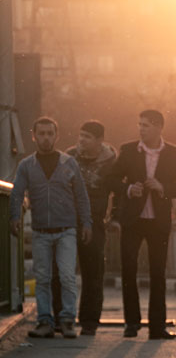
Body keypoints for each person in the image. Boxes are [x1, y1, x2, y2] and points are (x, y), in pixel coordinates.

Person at [107, 109, 176, 340]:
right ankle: (131, 323)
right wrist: (127, 189)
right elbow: (111, 179)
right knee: (129, 270)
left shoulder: (174, 154)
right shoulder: (128, 150)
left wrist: (162, 187)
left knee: (158, 273)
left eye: (146, 125)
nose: (141, 129)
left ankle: (157, 327)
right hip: (133, 220)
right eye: (140, 124)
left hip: (158, 221)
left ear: (158, 128)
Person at [9, 117, 92, 339]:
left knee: (66, 276)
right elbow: (17, 192)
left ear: (57, 136)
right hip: (41, 231)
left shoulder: (69, 163)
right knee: (43, 277)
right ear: (34, 136)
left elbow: (81, 196)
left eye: (50, 133)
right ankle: (44, 321)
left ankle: (67, 320)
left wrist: (86, 222)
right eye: (41, 134)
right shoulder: (27, 165)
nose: (46, 138)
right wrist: (14, 216)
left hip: (66, 229)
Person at [51, 121, 117, 335]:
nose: (81, 140)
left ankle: (89, 322)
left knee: (93, 273)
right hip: (67, 221)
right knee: (61, 271)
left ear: (99, 140)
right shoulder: (68, 157)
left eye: (87, 136)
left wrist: (114, 217)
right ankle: (61, 319)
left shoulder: (111, 162)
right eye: (80, 135)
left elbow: (118, 191)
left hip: (95, 222)